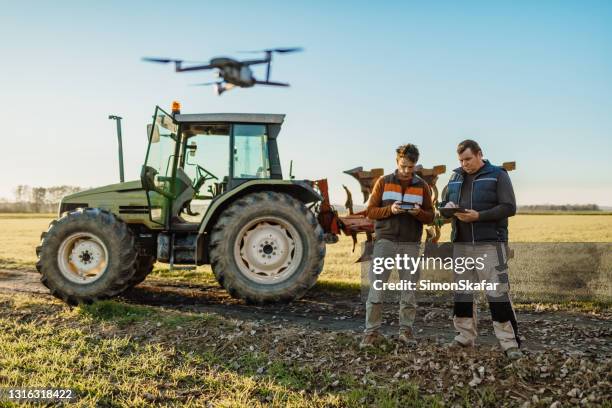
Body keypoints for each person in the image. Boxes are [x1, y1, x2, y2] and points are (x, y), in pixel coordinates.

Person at [440, 139, 523, 360]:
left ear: (479, 154)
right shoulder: (455, 177)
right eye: (461, 160)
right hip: (461, 245)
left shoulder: (498, 174)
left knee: (497, 294)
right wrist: (447, 209)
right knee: (463, 293)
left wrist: (479, 216)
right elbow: (445, 202)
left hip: (490, 244)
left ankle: (509, 343)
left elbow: (509, 207)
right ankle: (464, 337)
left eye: (468, 159)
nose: (464, 163)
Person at [360, 144, 434, 349]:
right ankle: (371, 333)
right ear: (397, 162)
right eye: (403, 166)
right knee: (377, 287)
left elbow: (430, 216)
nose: (406, 171)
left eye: (410, 167)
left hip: (410, 243)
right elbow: (371, 211)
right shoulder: (383, 182)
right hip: (386, 241)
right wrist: (390, 210)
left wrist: (418, 213)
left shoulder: (422, 186)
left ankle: (405, 332)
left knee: (408, 289)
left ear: (415, 165)